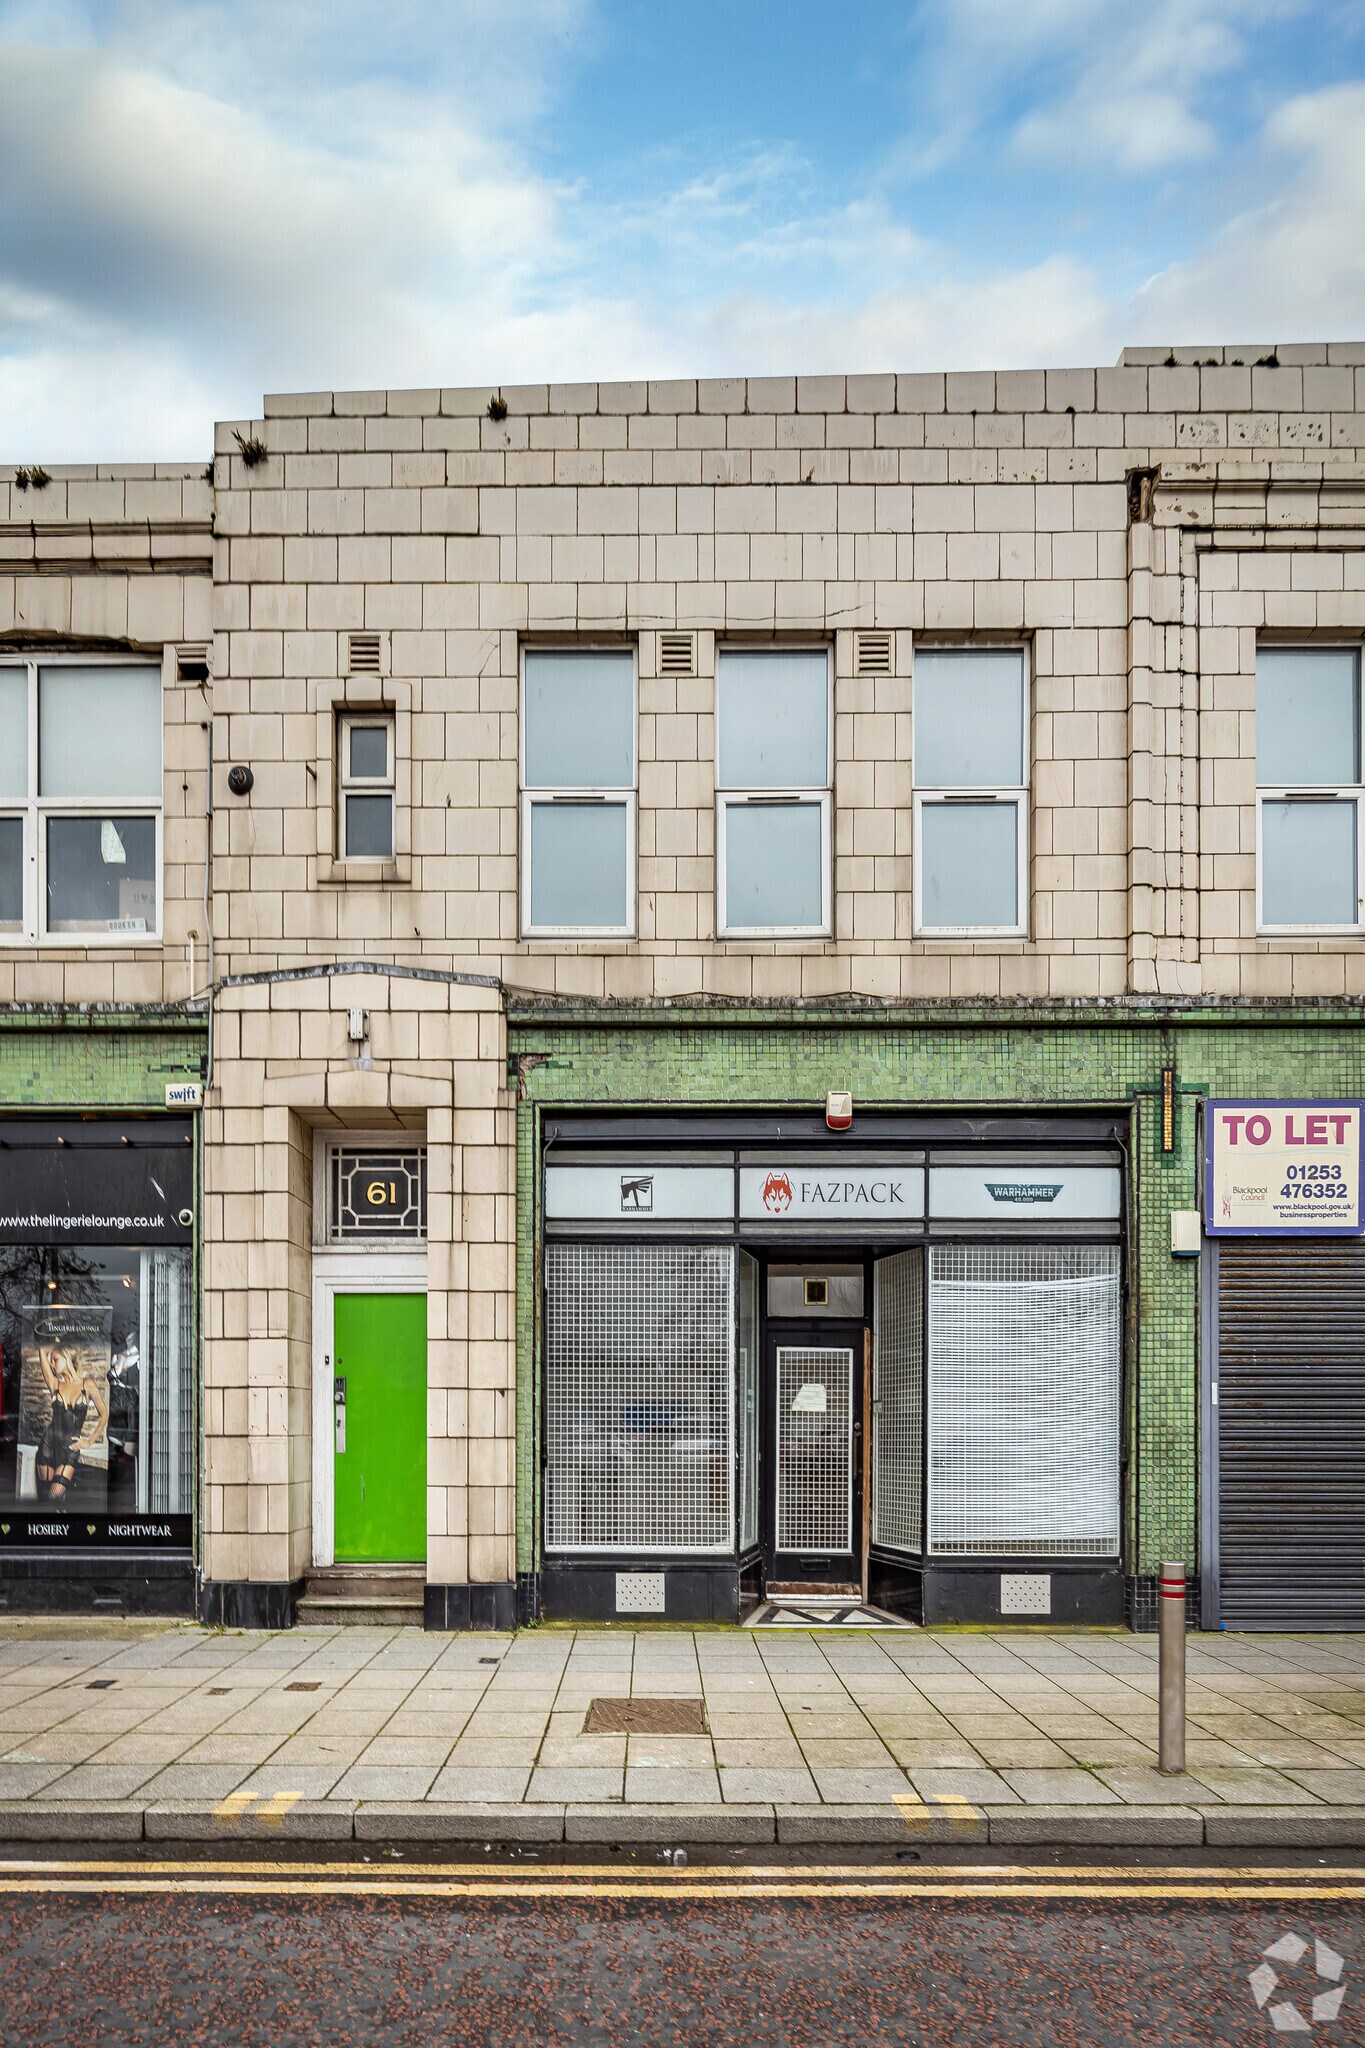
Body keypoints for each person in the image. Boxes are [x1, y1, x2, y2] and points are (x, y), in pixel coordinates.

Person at [35, 1341, 107, 1504]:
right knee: (46, 1499)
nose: (52, 1364)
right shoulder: (55, 1384)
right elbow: (42, 1349)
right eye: (51, 1361)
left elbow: (104, 1415)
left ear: (66, 1357)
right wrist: (56, 1339)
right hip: (48, 1445)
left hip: (69, 1450)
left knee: (54, 1496)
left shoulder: (87, 1384)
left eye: (55, 1359)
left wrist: (89, 1440)